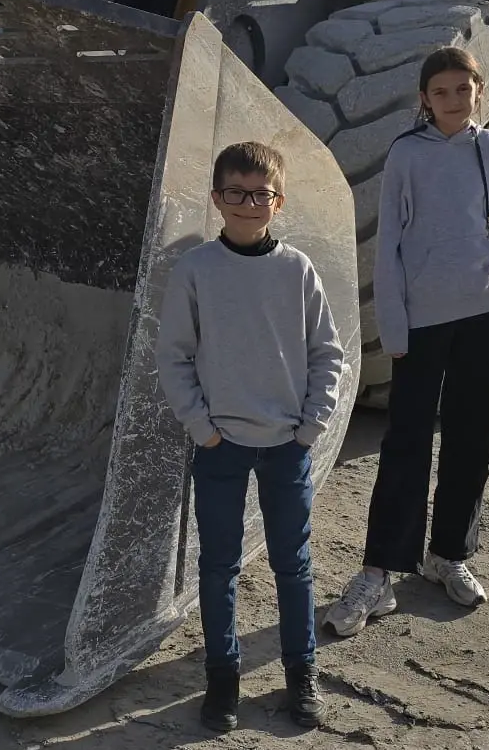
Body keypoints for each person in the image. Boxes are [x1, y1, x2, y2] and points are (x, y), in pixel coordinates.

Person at [322, 46, 489, 636]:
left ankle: (447, 555)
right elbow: (391, 244)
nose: (453, 100)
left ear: (478, 92)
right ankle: (378, 573)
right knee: (405, 443)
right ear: (424, 99)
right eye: (441, 91)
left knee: (472, 438)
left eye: (463, 89)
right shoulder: (407, 154)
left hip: (485, 313)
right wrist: (394, 327)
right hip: (423, 323)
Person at [156, 140, 349, 732]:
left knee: (293, 565)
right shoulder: (195, 270)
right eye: (235, 193)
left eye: (260, 195)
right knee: (219, 567)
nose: (248, 204)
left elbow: (328, 353)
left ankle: (301, 675)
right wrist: (203, 430)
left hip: (286, 445)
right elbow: (174, 357)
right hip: (221, 447)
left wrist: (311, 426)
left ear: (278, 202)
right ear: (217, 199)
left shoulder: (297, 270)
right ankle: (223, 681)